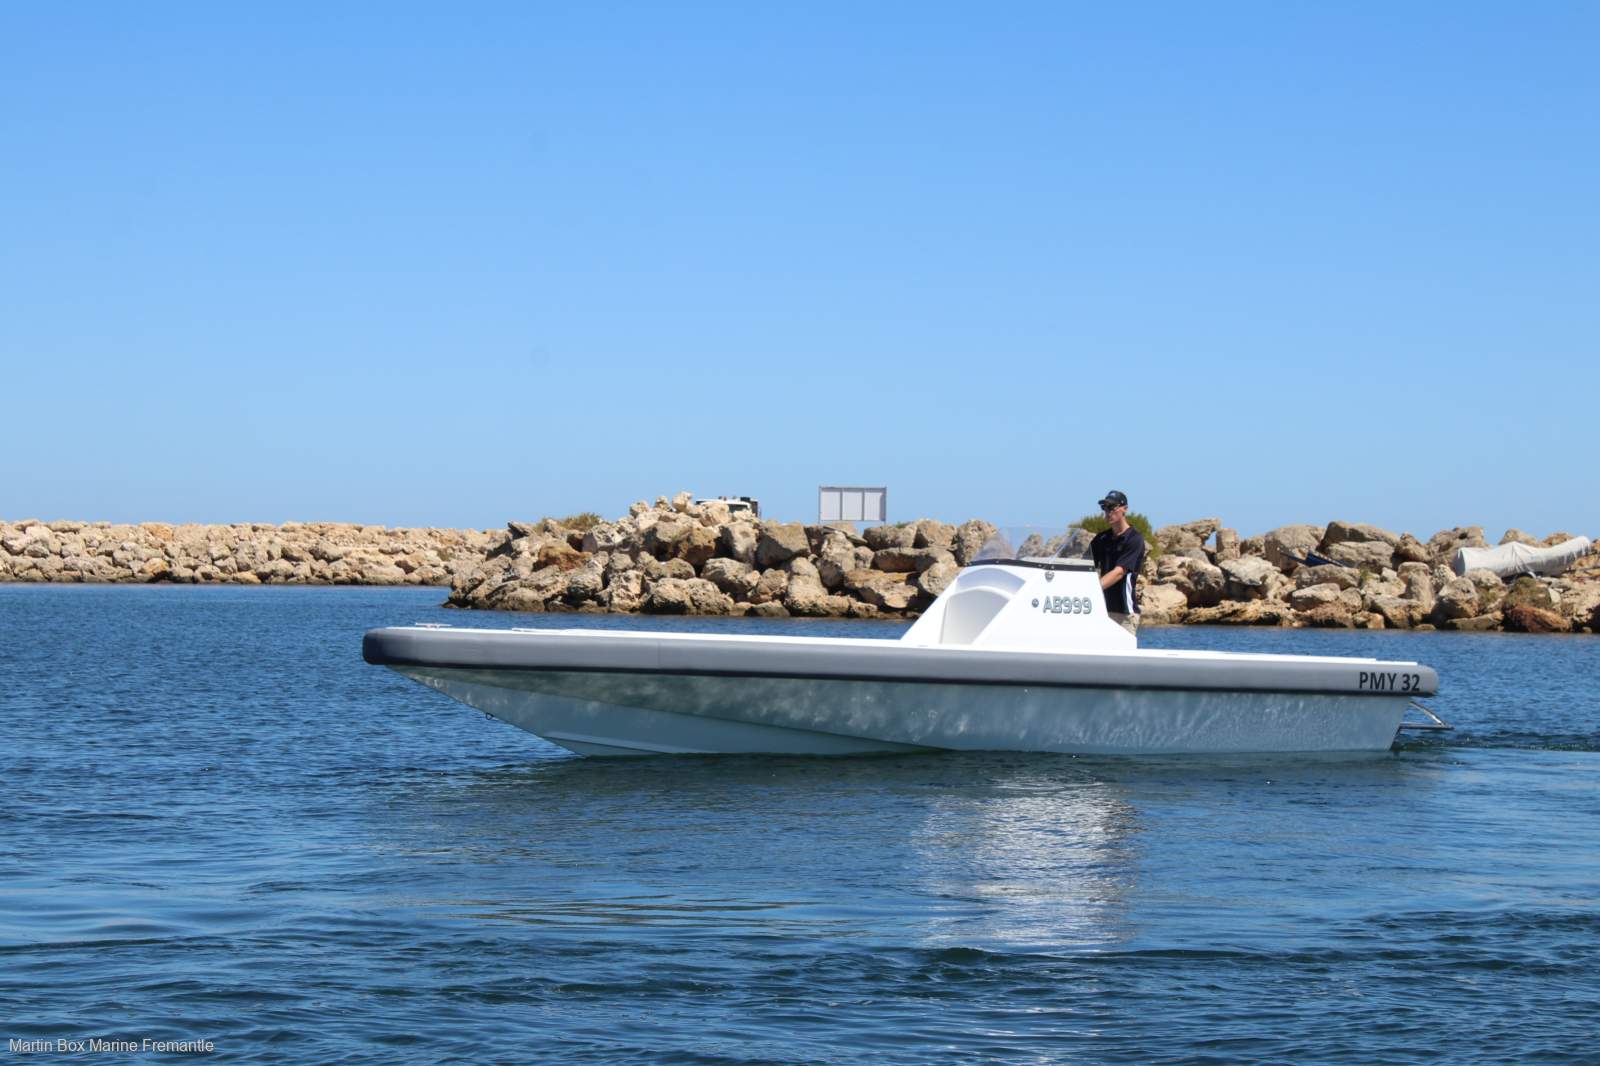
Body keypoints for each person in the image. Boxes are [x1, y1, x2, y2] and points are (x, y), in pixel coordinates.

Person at [1089, 490, 1145, 638]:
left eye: (1112, 508)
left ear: (1124, 509)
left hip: (1124, 614)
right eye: (1105, 508)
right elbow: (1085, 565)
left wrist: (1091, 590)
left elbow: (1119, 572)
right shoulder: (1102, 538)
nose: (1108, 512)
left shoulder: (1134, 539)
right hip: (1102, 611)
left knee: (1123, 660)